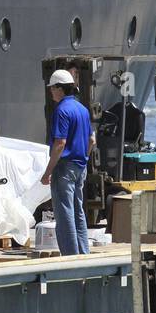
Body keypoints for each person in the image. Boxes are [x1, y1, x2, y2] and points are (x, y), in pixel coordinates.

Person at [41, 69, 95, 256]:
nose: (51, 92)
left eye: (52, 88)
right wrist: (85, 159)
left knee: (65, 214)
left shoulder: (62, 111)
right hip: (81, 166)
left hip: (64, 167)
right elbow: (92, 140)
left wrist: (48, 171)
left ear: (59, 88)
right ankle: (83, 252)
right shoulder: (83, 109)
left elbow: (60, 143)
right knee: (78, 211)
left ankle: (71, 257)